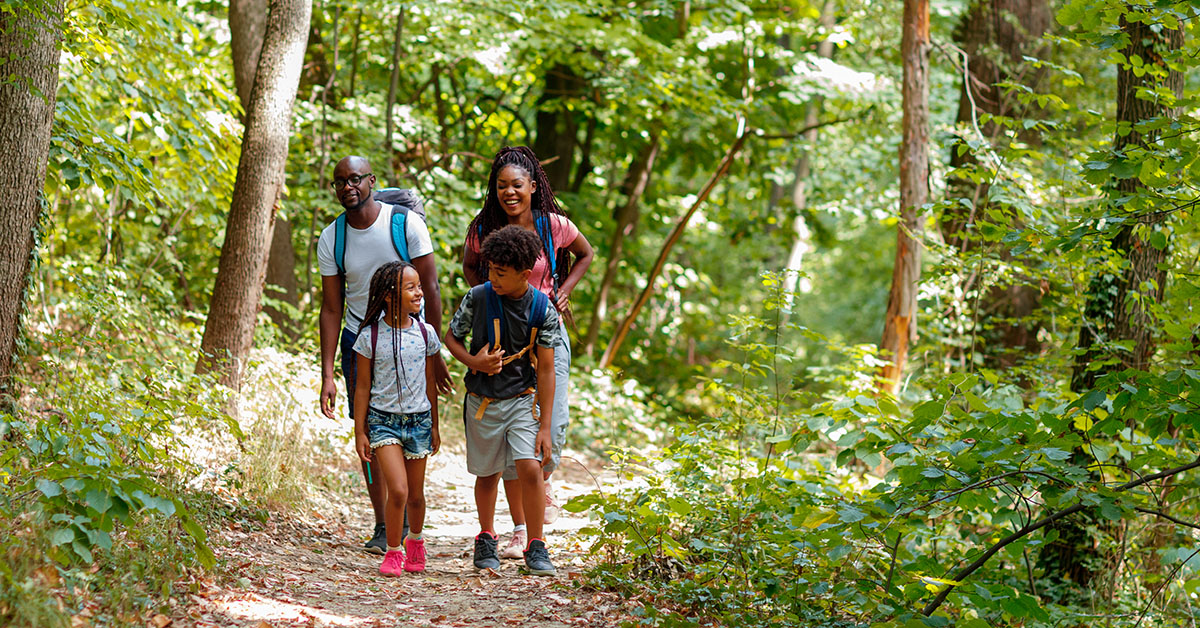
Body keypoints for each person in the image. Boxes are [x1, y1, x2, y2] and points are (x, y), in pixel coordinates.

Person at [462, 146, 594, 559]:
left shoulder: (553, 225)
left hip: (546, 332)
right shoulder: (483, 228)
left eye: (517, 185)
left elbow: (586, 253)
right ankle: (521, 529)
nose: (509, 192)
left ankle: (542, 482)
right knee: (511, 429)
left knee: (550, 426)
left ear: (533, 187)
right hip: (504, 338)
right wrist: (487, 299)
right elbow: (470, 267)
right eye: (501, 186)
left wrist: (563, 293)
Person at [318, 156, 453, 554]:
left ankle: (408, 513)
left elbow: (429, 288)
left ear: (371, 180)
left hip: (412, 336)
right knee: (368, 428)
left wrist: (437, 350)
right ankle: (382, 523)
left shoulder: (405, 224)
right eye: (339, 181)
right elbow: (330, 307)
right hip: (361, 338)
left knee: (412, 418)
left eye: (355, 179)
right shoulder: (333, 237)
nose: (348, 187)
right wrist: (327, 373)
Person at [445, 225, 561, 576]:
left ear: (525, 275)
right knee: (488, 473)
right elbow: (451, 338)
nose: (492, 278)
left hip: (522, 400)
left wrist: (545, 426)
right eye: (490, 270)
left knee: (530, 467)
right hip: (483, 400)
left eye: (501, 273)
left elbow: (547, 370)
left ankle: (536, 544)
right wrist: (474, 362)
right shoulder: (478, 297)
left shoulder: (543, 309)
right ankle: (486, 536)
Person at [352, 261, 441, 575]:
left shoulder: (425, 333)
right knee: (399, 490)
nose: (419, 293)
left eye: (419, 286)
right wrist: (359, 430)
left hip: (418, 421)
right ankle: (393, 550)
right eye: (411, 288)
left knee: (416, 496)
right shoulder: (369, 337)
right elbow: (362, 386)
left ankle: (416, 541)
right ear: (389, 295)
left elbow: (430, 381)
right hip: (382, 421)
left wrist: (435, 426)